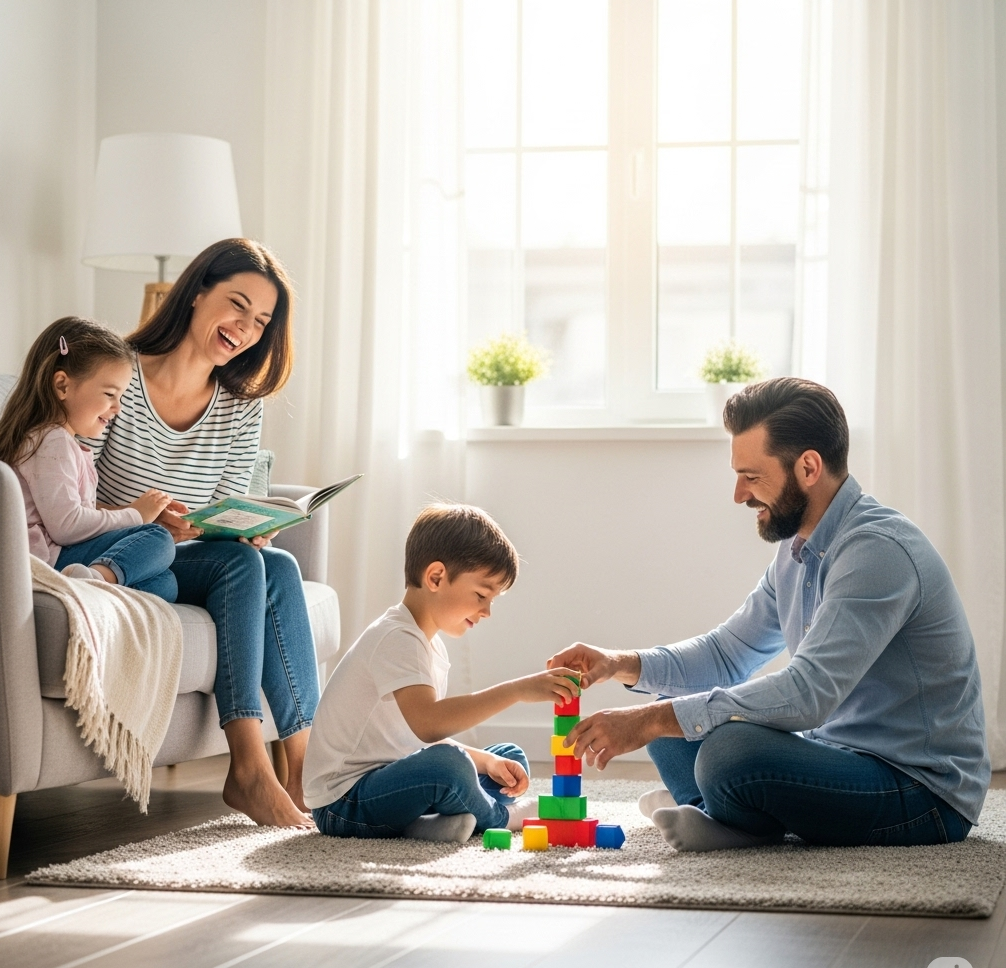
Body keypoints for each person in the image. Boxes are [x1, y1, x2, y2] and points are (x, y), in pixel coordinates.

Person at [550, 377, 990, 851]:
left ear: (808, 467)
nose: (739, 495)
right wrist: (619, 663)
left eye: (752, 476)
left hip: (921, 790)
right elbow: (726, 654)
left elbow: (807, 695)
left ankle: (723, 811)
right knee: (670, 696)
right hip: (837, 754)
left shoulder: (877, 551)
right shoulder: (797, 548)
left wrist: (648, 720)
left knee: (724, 750)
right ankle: (717, 813)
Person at [87, 238, 318, 829]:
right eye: (237, 305)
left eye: (260, 321)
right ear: (196, 293)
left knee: (276, 564)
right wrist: (142, 513)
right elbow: (65, 496)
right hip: (116, 549)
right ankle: (248, 768)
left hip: (185, 554)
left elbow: (225, 508)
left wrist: (245, 529)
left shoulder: (240, 406)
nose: (245, 327)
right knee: (241, 567)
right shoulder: (115, 373)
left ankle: (304, 772)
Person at [303, 503, 581, 843]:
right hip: (343, 803)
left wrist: (486, 762)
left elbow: (418, 739)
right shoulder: (396, 638)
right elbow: (429, 724)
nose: (487, 611)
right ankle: (501, 816)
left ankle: (429, 824)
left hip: (391, 778)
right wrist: (517, 690)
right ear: (435, 577)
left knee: (507, 758)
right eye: (481, 595)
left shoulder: (429, 646)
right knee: (448, 766)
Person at [0, 316, 176, 599]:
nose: (118, 408)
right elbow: (67, 527)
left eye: (121, 396)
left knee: (166, 584)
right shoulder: (51, 441)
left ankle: (94, 579)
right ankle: (90, 583)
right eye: (110, 394)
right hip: (47, 560)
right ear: (62, 385)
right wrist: (136, 515)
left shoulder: (60, 442)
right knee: (157, 538)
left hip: (60, 556)